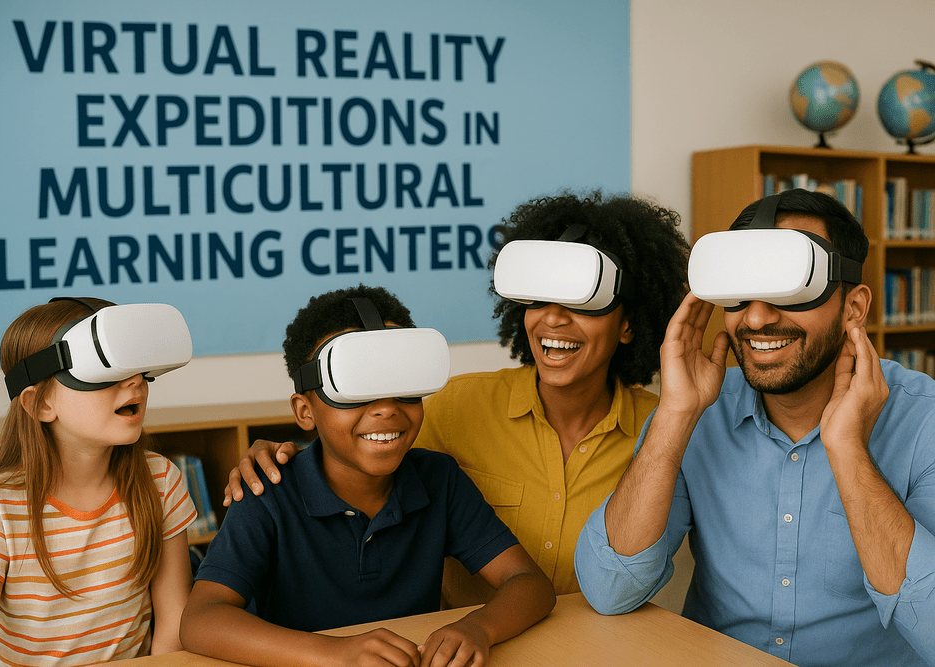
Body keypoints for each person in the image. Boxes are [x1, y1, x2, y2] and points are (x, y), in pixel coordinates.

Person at [223, 191, 691, 606]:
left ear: (629, 324)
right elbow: (357, 447)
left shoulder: (666, 433)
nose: (553, 320)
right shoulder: (455, 406)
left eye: (581, 303)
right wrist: (278, 456)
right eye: (538, 300)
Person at [575, 189, 935, 667]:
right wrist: (675, 415)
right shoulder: (700, 411)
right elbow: (609, 588)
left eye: (790, 289)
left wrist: (847, 450)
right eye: (740, 294)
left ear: (854, 307)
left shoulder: (924, 418)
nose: (758, 317)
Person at [180, 285, 555, 667]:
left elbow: (529, 583)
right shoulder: (269, 490)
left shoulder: (438, 479)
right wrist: (335, 652)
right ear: (305, 411)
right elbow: (201, 620)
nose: (386, 409)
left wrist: (480, 627)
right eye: (356, 388)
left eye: (402, 386)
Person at [0, 298, 196, 666]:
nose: (134, 381)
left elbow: (173, 627)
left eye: (135, 367)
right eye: (103, 369)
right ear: (40, 405)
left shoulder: (161, 481)